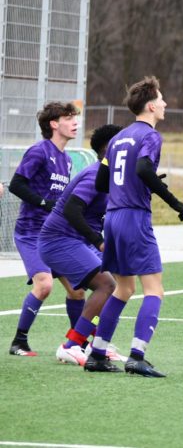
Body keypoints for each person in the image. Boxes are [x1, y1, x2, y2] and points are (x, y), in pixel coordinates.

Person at [85, 76, 183, 377]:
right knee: (154, 289)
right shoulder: (150, 135)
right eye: (162, 99)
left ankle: (98, 353)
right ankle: (137, 355)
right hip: (133, 217)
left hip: (114, 217)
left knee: (124, 288)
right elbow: (143, 168)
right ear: (152, 105)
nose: (166, 104)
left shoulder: (118, 138)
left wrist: (128, 187)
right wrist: (173, 201)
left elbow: (102, 181)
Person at [38, 124, 124, 366]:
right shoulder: (96, 174)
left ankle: (98, 345)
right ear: (109, 149)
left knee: (113, 287)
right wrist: (99, 242)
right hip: (58, 240)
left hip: (74, 240)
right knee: (106, 284)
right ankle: (72, 345)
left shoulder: (110, 177)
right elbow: (72, 209)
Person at [8, 102, 81, 357]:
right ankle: (19, 342)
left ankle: (77, 343)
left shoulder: (68, 160)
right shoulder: (39, 151)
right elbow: (16, 185)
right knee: (44, 285)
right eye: (69, 118)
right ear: (53, 124)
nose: (75, 123)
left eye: (75, 118)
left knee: (77, 288)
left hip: (54, 234)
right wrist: (43, 203)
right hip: (30, 231)